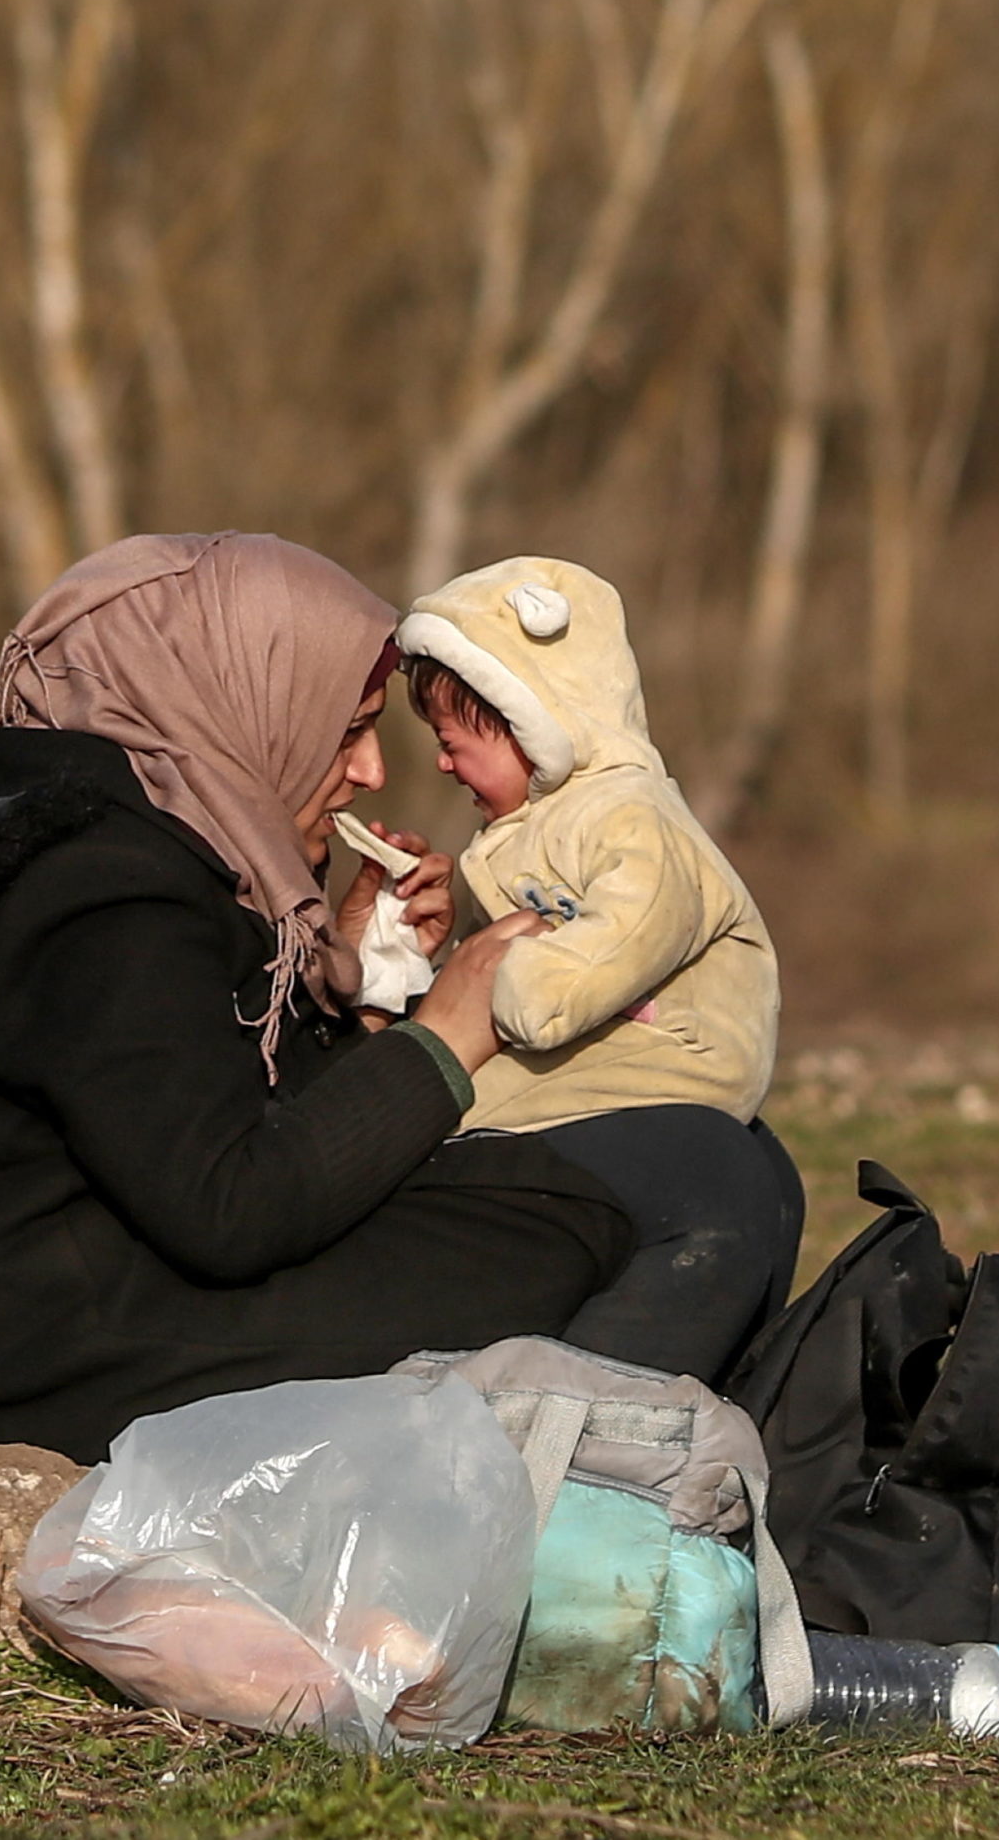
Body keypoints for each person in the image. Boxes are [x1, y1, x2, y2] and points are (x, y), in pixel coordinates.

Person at [0, 532, 648, 1465]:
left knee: (615, 1172)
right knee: (586, 1217)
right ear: (243, 705)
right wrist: (444, 1035)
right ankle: (600, 1495)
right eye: (348, 730)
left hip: (145, 1308)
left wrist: (363, 996)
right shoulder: (98, 895)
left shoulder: (151, 852)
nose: (371, 772)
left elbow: (223, 1124)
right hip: (97, 1369)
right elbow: (231, 1208)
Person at [396, 555, 799, 1383]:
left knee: (436, 1119)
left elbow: (622, 933)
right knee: (429, 1098)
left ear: (530, 717)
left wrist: (518, 984)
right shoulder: (527, 828)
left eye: (451, 742)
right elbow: (498, 955)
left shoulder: (631, 816)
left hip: (664, 1060)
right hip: (582, 1050)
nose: (442, 764)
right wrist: (431, 954)